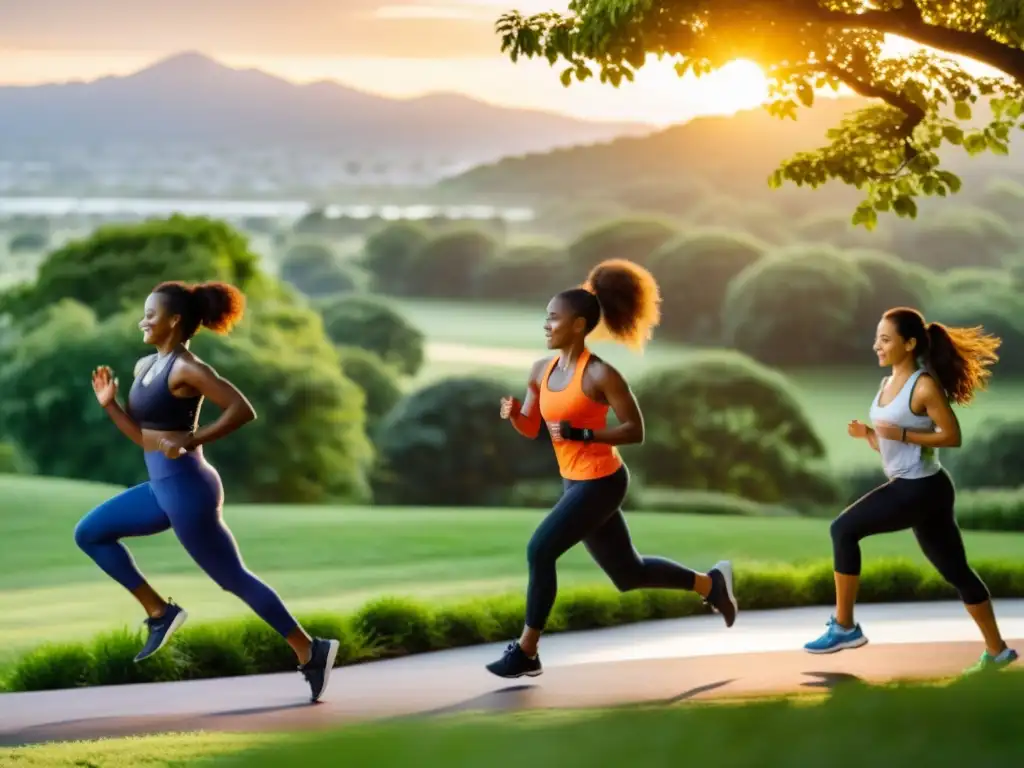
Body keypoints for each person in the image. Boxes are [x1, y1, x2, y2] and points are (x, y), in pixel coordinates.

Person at [75, 280, 340, 702]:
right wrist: (111, 406)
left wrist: (192, 441)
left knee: (233, 578)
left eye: (151, 314)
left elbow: (241, 409)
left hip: (189, 489)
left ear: (175, 320)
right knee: (89, 533)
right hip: (161, 489)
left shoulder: (187, 369)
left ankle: (310, 649)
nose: (143, 320)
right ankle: (160, 612)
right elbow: (145, 440)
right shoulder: (147, 367)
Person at [485, 258, 738, 679]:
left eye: (553, 318)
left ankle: (527, 651)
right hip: (574, 482)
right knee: (628, 573)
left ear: (579, 325)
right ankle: (710, 584)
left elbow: (635, 430)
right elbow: (533, 429)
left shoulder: (601, 374)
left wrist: (586, 436)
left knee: (540, 550)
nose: (545, 326)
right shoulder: (539, 371)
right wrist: (514, 414)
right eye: (544, 318)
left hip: (602, 482)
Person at [803, 306, 1018, 674]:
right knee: (956, 572)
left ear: (910, 343)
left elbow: (952, 436)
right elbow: (890, 445)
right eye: (877, 339)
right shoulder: (886, 385)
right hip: (921, 488)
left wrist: (900, 433)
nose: (877, 346)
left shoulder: (924, 385)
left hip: (920, 488)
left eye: (885, 339)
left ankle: (845, 627)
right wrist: (870, 436)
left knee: (842, 529)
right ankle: (998, 651)